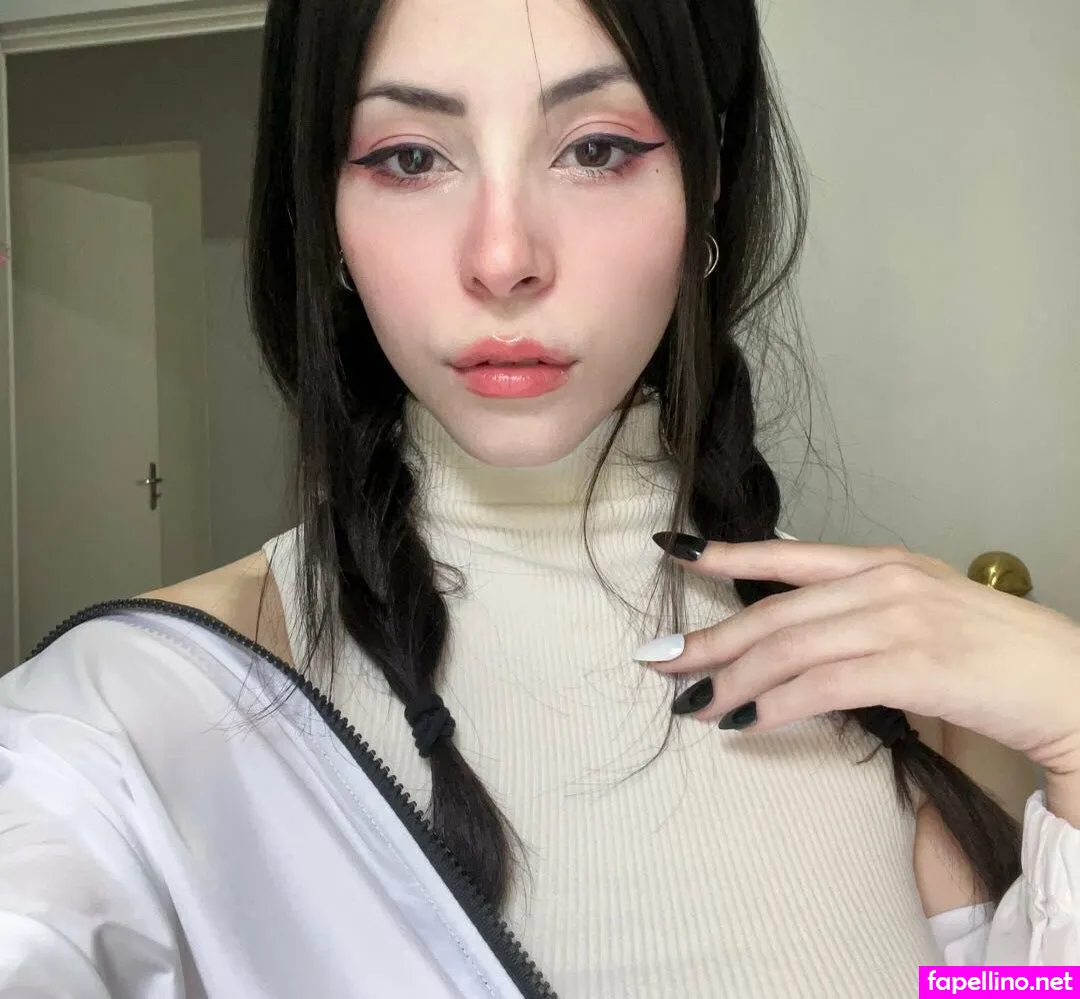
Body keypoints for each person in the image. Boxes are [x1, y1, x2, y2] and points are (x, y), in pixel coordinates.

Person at [2, 0, 1079, 995]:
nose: (503, 257)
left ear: (707, 180)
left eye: (597, 149)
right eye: (409, 157)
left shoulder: (900, 697)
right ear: (325, 207)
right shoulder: (126, 717)